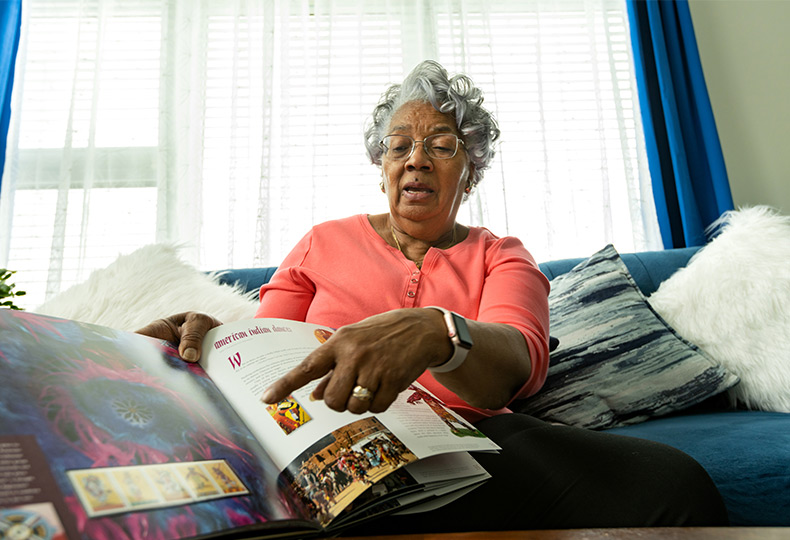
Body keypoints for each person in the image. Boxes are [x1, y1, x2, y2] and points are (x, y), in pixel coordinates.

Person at [138, 60, 729, 532]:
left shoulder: (502, 255)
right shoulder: (322, 243)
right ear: (382, 165)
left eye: (441, 146)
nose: (416, 158)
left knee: (674, 485)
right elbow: (265, 362)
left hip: (473, 445)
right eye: (399, 146)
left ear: (468, 171)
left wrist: (438, 333)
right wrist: (212, 344)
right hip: (331, 443)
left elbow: (514, 366)